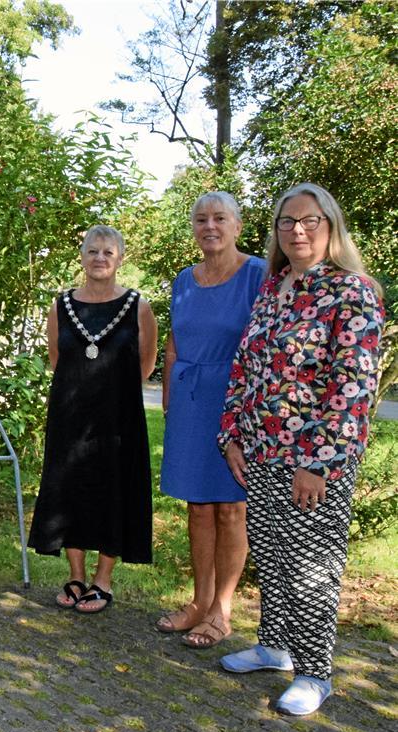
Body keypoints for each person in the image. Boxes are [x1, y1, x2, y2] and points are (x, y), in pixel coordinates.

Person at [217, 183, 384, 716]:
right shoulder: (273, 287)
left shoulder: (351, 291)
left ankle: (315, 672)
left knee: (311, 563)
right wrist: (231, 435)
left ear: (330, 225)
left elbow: (352, 385)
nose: (297, 230)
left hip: (314, 459)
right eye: (287, 222)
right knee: (270, 551)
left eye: (309, 220)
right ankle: (275, 646)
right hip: (260, 449)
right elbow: (245, 365)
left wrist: (319, 462)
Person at [155, 192, 267, 648]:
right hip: (189, 401)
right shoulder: (184, 279)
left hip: (237, 400)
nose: (210, 226)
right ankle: (199, 602)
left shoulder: (258, 275)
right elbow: (174, 341)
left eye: (220, 218)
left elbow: (269, 343)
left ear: (237, 225)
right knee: (197, 507)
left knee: (231, 507)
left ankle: (222, 611)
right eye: (201, 219)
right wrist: (168, 398)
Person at [29, 225, 158, 613]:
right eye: (92, 251)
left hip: (118, 419)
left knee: (113, 490)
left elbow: (146, 365)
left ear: (120, 259)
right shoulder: (61, 306)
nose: (99, 258)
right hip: (70, 416)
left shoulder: (139, 307)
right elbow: (58, 360)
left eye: (108, 252)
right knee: (70, 489)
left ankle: (103, 580)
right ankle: (75, 575)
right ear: (82, 257)